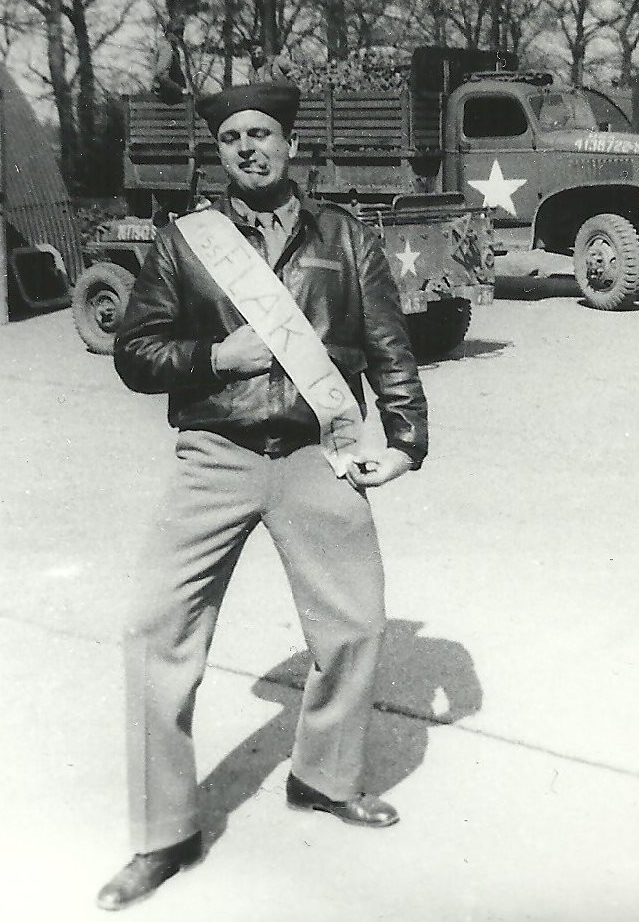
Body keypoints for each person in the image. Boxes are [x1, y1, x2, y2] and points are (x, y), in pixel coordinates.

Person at [96, 81, 428, 912]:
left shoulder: (344, 235)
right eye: (232, 137)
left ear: (290, 144)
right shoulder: (185, 242)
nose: (248, 147)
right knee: (156, 630)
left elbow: (389, 345)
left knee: (354, 623)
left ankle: (324, 777)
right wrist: (215, 358)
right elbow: (134, 353)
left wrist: (405, 441)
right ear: (220, 151)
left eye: (263, 133)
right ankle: (162, 832)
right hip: (215, 453)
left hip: (316, 453)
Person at [152, 10, 193, 105]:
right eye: (177, 33)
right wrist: (180, 90)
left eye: (181, 33)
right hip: (168, 98)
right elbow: (161, 75)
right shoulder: (167, 49)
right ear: (169, 33)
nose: (180, 37)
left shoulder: (173, 49)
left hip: (172, 97)